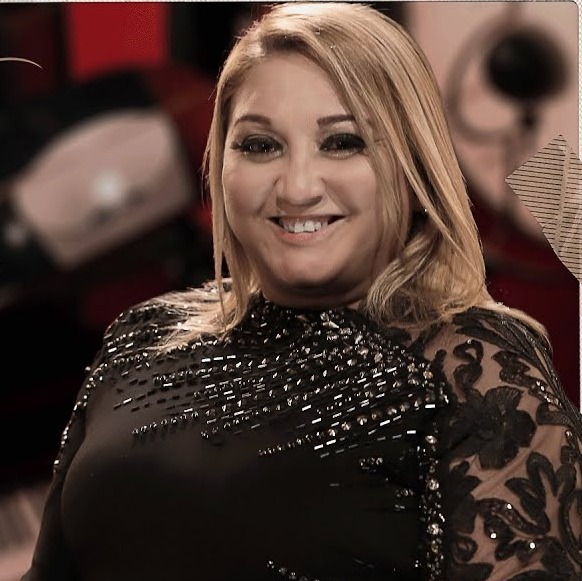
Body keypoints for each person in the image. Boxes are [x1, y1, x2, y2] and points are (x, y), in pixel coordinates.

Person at [22, 3, 582, 580]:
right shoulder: (142, 333)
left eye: (342, 142)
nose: (296, 188)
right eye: (260, 146)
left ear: (415, 169)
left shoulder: (474, 364)